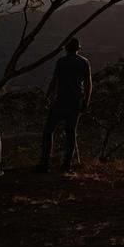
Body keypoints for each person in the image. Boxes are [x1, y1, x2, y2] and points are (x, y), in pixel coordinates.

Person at [37, 37, 92, 173]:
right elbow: (89, 84)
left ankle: (45, 163)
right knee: (70, 132)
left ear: (67, 49)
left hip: (60, 100)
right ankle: (66, 165)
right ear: (78, 49)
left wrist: (47, 97)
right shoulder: (84, 62)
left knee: (48, 130)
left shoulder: (61, 61)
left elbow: (54, 81)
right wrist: (86, 101)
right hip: (75, 101)